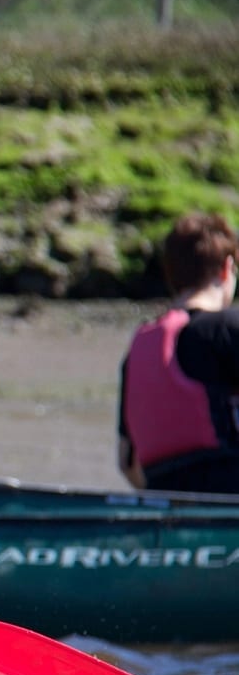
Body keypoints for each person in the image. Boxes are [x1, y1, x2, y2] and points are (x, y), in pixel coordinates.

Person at [118, 211, 239, 493]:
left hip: (166, 500)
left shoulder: (139, 348)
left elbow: (128, 462)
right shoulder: (227, 328)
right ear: (226, 268)